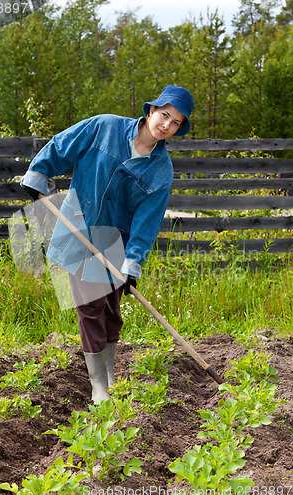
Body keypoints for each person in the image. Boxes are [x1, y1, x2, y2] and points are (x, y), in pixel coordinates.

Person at [21, 84, 194, 402]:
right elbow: (63, 146)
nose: (166, 125)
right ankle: (98, 384)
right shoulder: (104, 126)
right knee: (91, 307)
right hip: (80, 225)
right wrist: (38, 173)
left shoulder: (161, 170)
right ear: (151, 110)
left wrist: (133, 262)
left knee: (111, 311)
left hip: (118, 240)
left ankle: (109, 373)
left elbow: (148, 220)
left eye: (176, 123)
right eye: (165, 115)